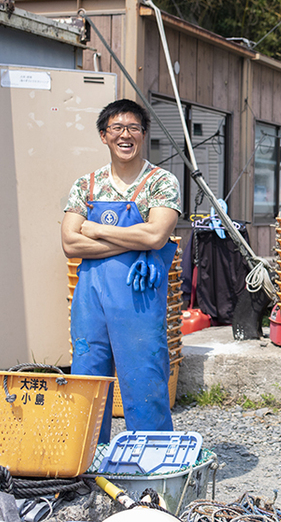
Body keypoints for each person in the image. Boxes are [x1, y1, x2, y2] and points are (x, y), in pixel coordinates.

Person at [61, 99, 181, 443]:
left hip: (138, 296)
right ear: (104, 136)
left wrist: (96, 229)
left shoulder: (161, 182)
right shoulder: (87, 185)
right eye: (116, 128)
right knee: (87, 377)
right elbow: (70, 244)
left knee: (143, 376)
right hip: (90, 298)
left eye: (133, 128)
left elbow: (157, 235)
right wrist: (136, 239)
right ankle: (85, 460)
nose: (125, 135)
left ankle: (152, 459)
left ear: (143, 135)